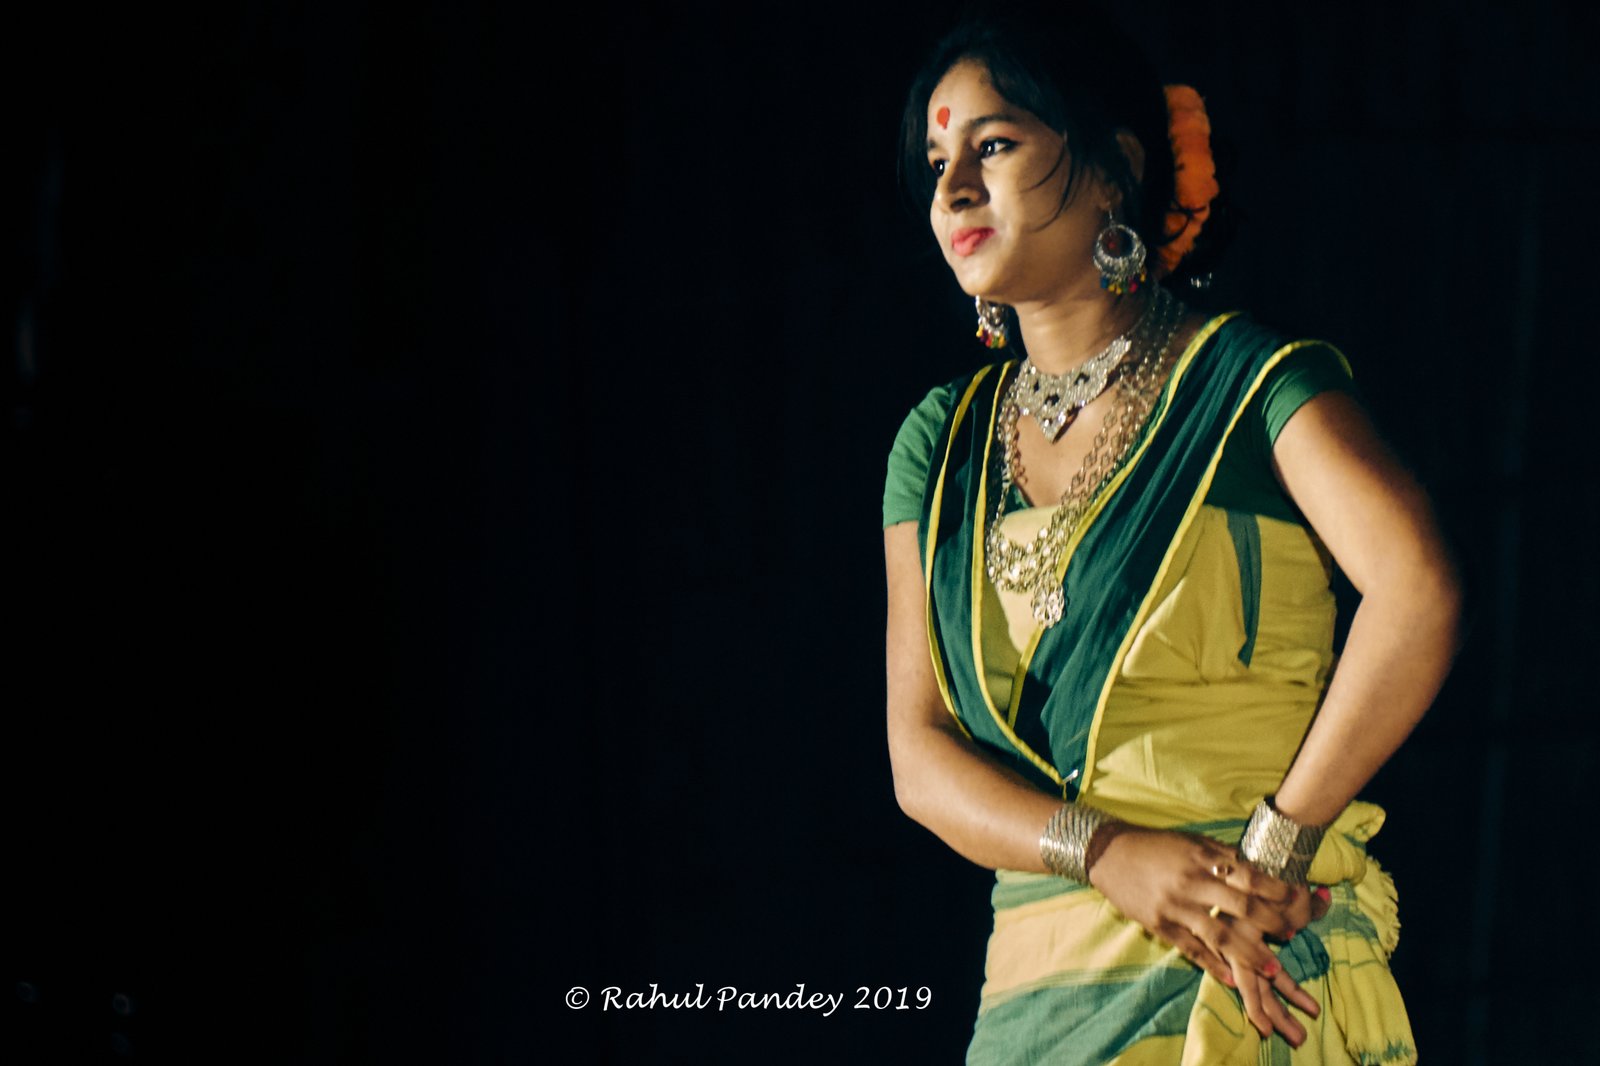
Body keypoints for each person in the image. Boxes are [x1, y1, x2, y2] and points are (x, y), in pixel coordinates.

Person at [881, 8, 1462, 1064]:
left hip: (1245, 959)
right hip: (1036, 1001)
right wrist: (1103, 852)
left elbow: (1415, 590)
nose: (953, 188)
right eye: (937, 163)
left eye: (993, 145)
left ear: (1115, 169)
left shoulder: (1249, 385)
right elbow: (918, 760)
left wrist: (1276, 846)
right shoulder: (943, 445)